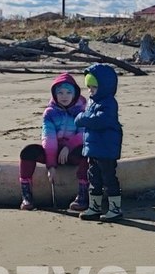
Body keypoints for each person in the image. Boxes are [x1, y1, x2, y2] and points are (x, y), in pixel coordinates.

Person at [18, 72, 89, 211]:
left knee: (87, 151)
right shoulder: (50, 113)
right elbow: (48, 138)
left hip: (72, 153)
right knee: (28, 151)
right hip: (53, 152)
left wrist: (68, 147)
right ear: (54, 94)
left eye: (69, 92)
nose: (64, 96)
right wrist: (51, 166)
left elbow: (84, 134)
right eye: (60, 92)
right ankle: (27, 197)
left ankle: (82, 196)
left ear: (75, 94)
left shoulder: (82, 111)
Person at [75, 63, 124, 221]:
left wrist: (82, 118)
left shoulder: (109, 103)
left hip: (106, 149)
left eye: (94, 87)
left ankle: (115, 209)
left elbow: (100, 120)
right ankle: (94, 207)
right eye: (88, 86)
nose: (90, 90)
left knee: (109, 178)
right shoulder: (92, 101)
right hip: (93, 148)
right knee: (93, 178)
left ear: (103, 86)